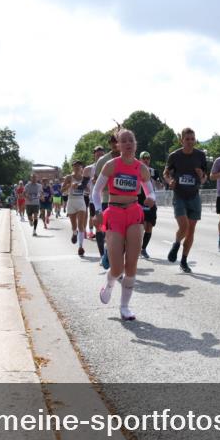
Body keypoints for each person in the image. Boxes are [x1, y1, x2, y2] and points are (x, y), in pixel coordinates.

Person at [91, 129, 155, 321]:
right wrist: (97, 211)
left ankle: (125, 306)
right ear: (118, 145)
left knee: (132, 264)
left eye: (131, 141)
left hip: (134, 212)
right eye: (124, 141)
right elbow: (96, 191)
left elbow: (150, 192)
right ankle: (109, 283)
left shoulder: (141, 168)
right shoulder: (111, 165)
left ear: (135, 144)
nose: (128, 144)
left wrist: (151, 198)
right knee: (117, 268)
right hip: (115, 213)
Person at [164, 128, 208, 273]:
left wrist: (202, 176)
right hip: (180, 195)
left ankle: (184, 260)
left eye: (192, 139)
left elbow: (204, 178)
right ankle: (176, 244)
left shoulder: (200, 155)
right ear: (181, 140)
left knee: (191, 231)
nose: (190, 141)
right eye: (187, 139)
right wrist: (170, 181)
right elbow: (166, 173)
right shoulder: (175, 156)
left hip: (194, 196)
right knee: (184, 227)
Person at [92, 137, 121, 263]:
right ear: (110, 144)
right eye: (113, 142)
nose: (115, 144)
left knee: (120, 233)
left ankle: (112, 255)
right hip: (106, 199)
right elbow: (95, 180)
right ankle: (104, 254)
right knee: (107, 230)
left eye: (117, 141)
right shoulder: (103, 160)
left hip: (124, 200)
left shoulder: (128, 157)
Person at [63, 161, 89, 256]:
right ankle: (74, 233)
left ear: (81, 167)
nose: (77, 167)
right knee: (74, 226)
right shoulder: (69, 177)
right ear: (72, 167)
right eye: (75, 166)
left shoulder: (83, 178)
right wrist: (70, 185)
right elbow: (62, 190)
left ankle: (81, 247)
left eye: (79, 166)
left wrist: (85, 188)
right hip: (71, 202)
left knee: (81, 225)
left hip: (81, 201)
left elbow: (88, 190)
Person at [138, 151, 160, 258]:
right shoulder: (137, 169)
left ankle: (143, 249)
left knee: (149, 226)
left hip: (150, 200)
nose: (146, 160)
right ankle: (136, 246)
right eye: (144, 158)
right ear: (140, 159)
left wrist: (159, 182)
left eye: (148, 158)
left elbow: (160, 185)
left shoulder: (154, 171)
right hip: (139, 200)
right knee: (141, 226)